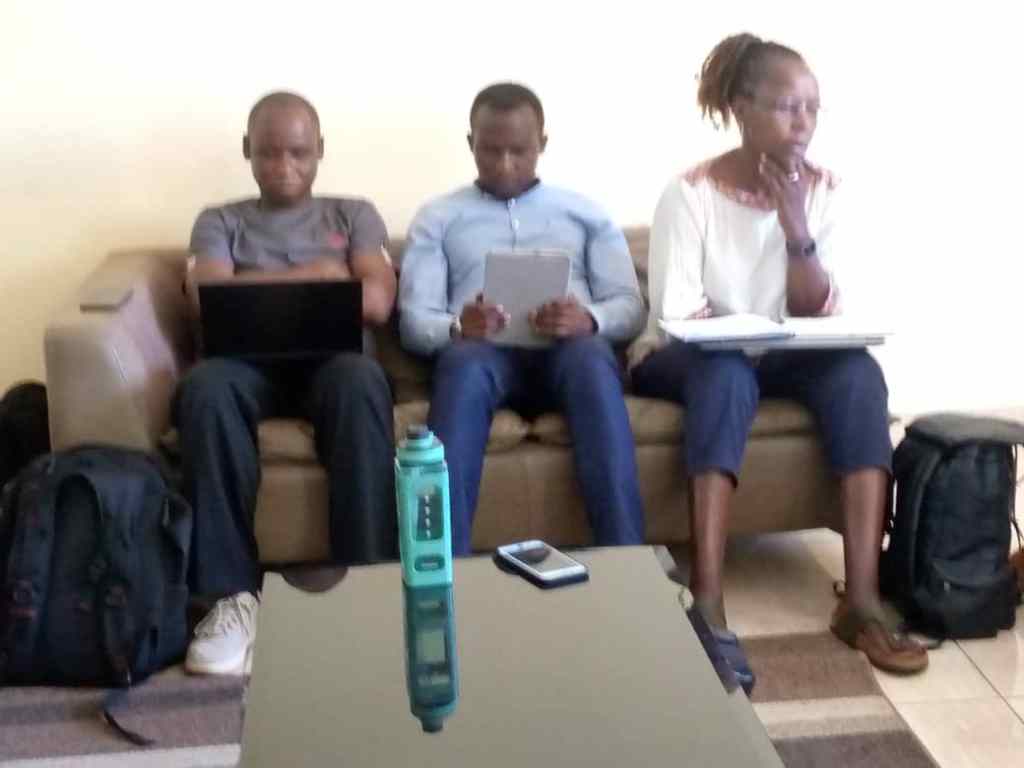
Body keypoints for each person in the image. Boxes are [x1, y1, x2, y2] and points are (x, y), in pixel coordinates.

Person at [631, 34, 928, 689]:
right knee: (727, 373)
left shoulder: (824, 191)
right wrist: (748, 335)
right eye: (788, 107)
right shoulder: (691, 193)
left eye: (813, 109)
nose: (803, 123)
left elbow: (818, 310)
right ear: (742, 108)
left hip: (784, 354)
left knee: (857, 375)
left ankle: (862, 601)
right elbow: (678, 312)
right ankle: (707, 597)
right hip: (685, 356)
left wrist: (797, 230)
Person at [175, 91, 398, 675]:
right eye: (269, 153)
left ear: (320, 150)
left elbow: (376, 301)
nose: (284, 166)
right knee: (204, 390)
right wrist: (320, 275)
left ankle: (370, 585)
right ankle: (228, 600)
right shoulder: (220, 220)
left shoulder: (353, 215)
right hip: (243, 367)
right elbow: (204, 297)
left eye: (298, 153)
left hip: (334, 363)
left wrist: (251, 282)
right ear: (247, 151)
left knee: (361, 380)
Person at [399, 82, 646, 556]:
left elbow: (630, 306)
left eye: (519, 151)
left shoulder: (587, 214)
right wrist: (457, 326)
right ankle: (442, 564)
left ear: (542, 144)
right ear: (470, 144)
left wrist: (589, 319)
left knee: (592, 357)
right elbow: (414, 321)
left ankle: (626, 559)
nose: (505, 164)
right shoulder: (438, 217)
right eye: (490, 151)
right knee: (463, 363)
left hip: (568, 354)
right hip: (482, 356)